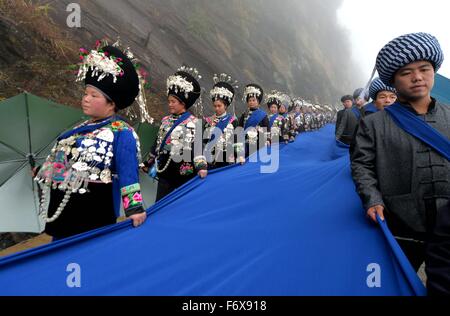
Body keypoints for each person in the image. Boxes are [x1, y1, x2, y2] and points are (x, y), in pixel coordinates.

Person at [351, 32, 449, 296]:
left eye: (424, 69)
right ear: (393, 79)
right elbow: (362, 166)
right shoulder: (373, 124)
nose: (417, 77)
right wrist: (372, 199)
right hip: (401, 224)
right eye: (407, 72)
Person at [34, 43, 148, 240]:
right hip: (63, 215)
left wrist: (134, 208)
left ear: (112, 103)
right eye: (86, 93)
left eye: (94, 95)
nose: (86, 99)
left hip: (93, 215)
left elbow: (128, 170)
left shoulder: (122, 133)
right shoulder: (75, 130)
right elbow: (62, 163)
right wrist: (40, 171)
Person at [144, 66, 208, 201]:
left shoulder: (194, 123)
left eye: (173, 101)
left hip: (183, 174)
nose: (170, 104)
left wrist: (201, 167)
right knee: (159, 203)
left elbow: (198, 149)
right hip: (164, 172)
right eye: (169, 101)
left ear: (183, 103)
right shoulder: (165, 120)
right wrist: (148, 162)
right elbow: (157, 143)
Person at [203, 73, 244, 169]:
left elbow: (238, 140)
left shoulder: (233, 121)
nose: (216, 108)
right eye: (215, 106)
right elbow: (203, 141)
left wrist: (240, 155)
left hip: (225, 159)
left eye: (219, 106)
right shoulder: (208, 120)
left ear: (225, 106)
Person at [238, 84, 270, 158]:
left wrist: (267, 139)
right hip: (245, 143)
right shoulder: (244, 114)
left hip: (258, 142)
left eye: (253, 100)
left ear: (258, 102)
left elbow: (267, 129)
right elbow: (240, 128)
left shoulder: (263, 115)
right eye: (249, 100)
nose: (251, 102)